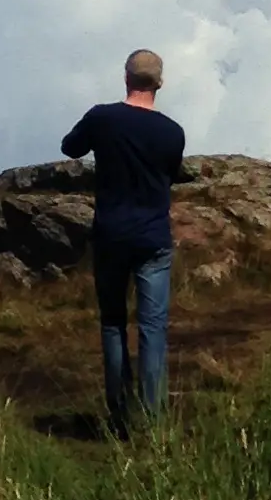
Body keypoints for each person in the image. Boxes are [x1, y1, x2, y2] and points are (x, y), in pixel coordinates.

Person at [60, 48, 186, 431]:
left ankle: (119, 416)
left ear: (126, 78)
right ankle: (153, 419)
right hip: (153, 236)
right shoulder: (172, 131)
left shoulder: (103, 118)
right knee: (152, 327)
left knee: (113, 322)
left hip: (112, 233)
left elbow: (70, 147)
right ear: (159, 83)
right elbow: (172, 172)